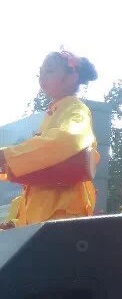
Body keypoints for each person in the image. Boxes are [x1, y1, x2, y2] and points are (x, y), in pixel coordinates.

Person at [0, 50, 99, 224]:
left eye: (50, 71)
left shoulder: (75, 108)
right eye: (41, 72)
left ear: (70, 78)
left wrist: (9, 156)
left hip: (62, 209)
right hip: (42, 210)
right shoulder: (54, 112)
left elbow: (69, 139)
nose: (42, 77)